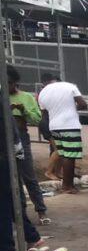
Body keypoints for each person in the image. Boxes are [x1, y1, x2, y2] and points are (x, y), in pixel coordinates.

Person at [0, 124, 46, 251]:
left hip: (5, 158)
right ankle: (32, 237)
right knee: (10, 204)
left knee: (5, 205)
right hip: (8, 157)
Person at [7, 66, 48, 224]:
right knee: (12, 178)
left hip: (20, 137)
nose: (7, 86)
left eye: (10, 83)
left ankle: (41, 210)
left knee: (28, 175)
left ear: (15, 83)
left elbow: (36, 119)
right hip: (4, 138)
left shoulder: (26, 97)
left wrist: (23, 110)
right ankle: (20, 212)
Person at [37, 72, 87, 193]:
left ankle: (66, 183)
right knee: (70, 155)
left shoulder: (42, 93)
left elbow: (44, 113)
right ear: (57, 79)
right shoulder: (70, 86)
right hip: (69, 124)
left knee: (63, 153)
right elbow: (83, 104)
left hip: (54, 125)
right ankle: (67, 185)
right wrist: (72, 109)